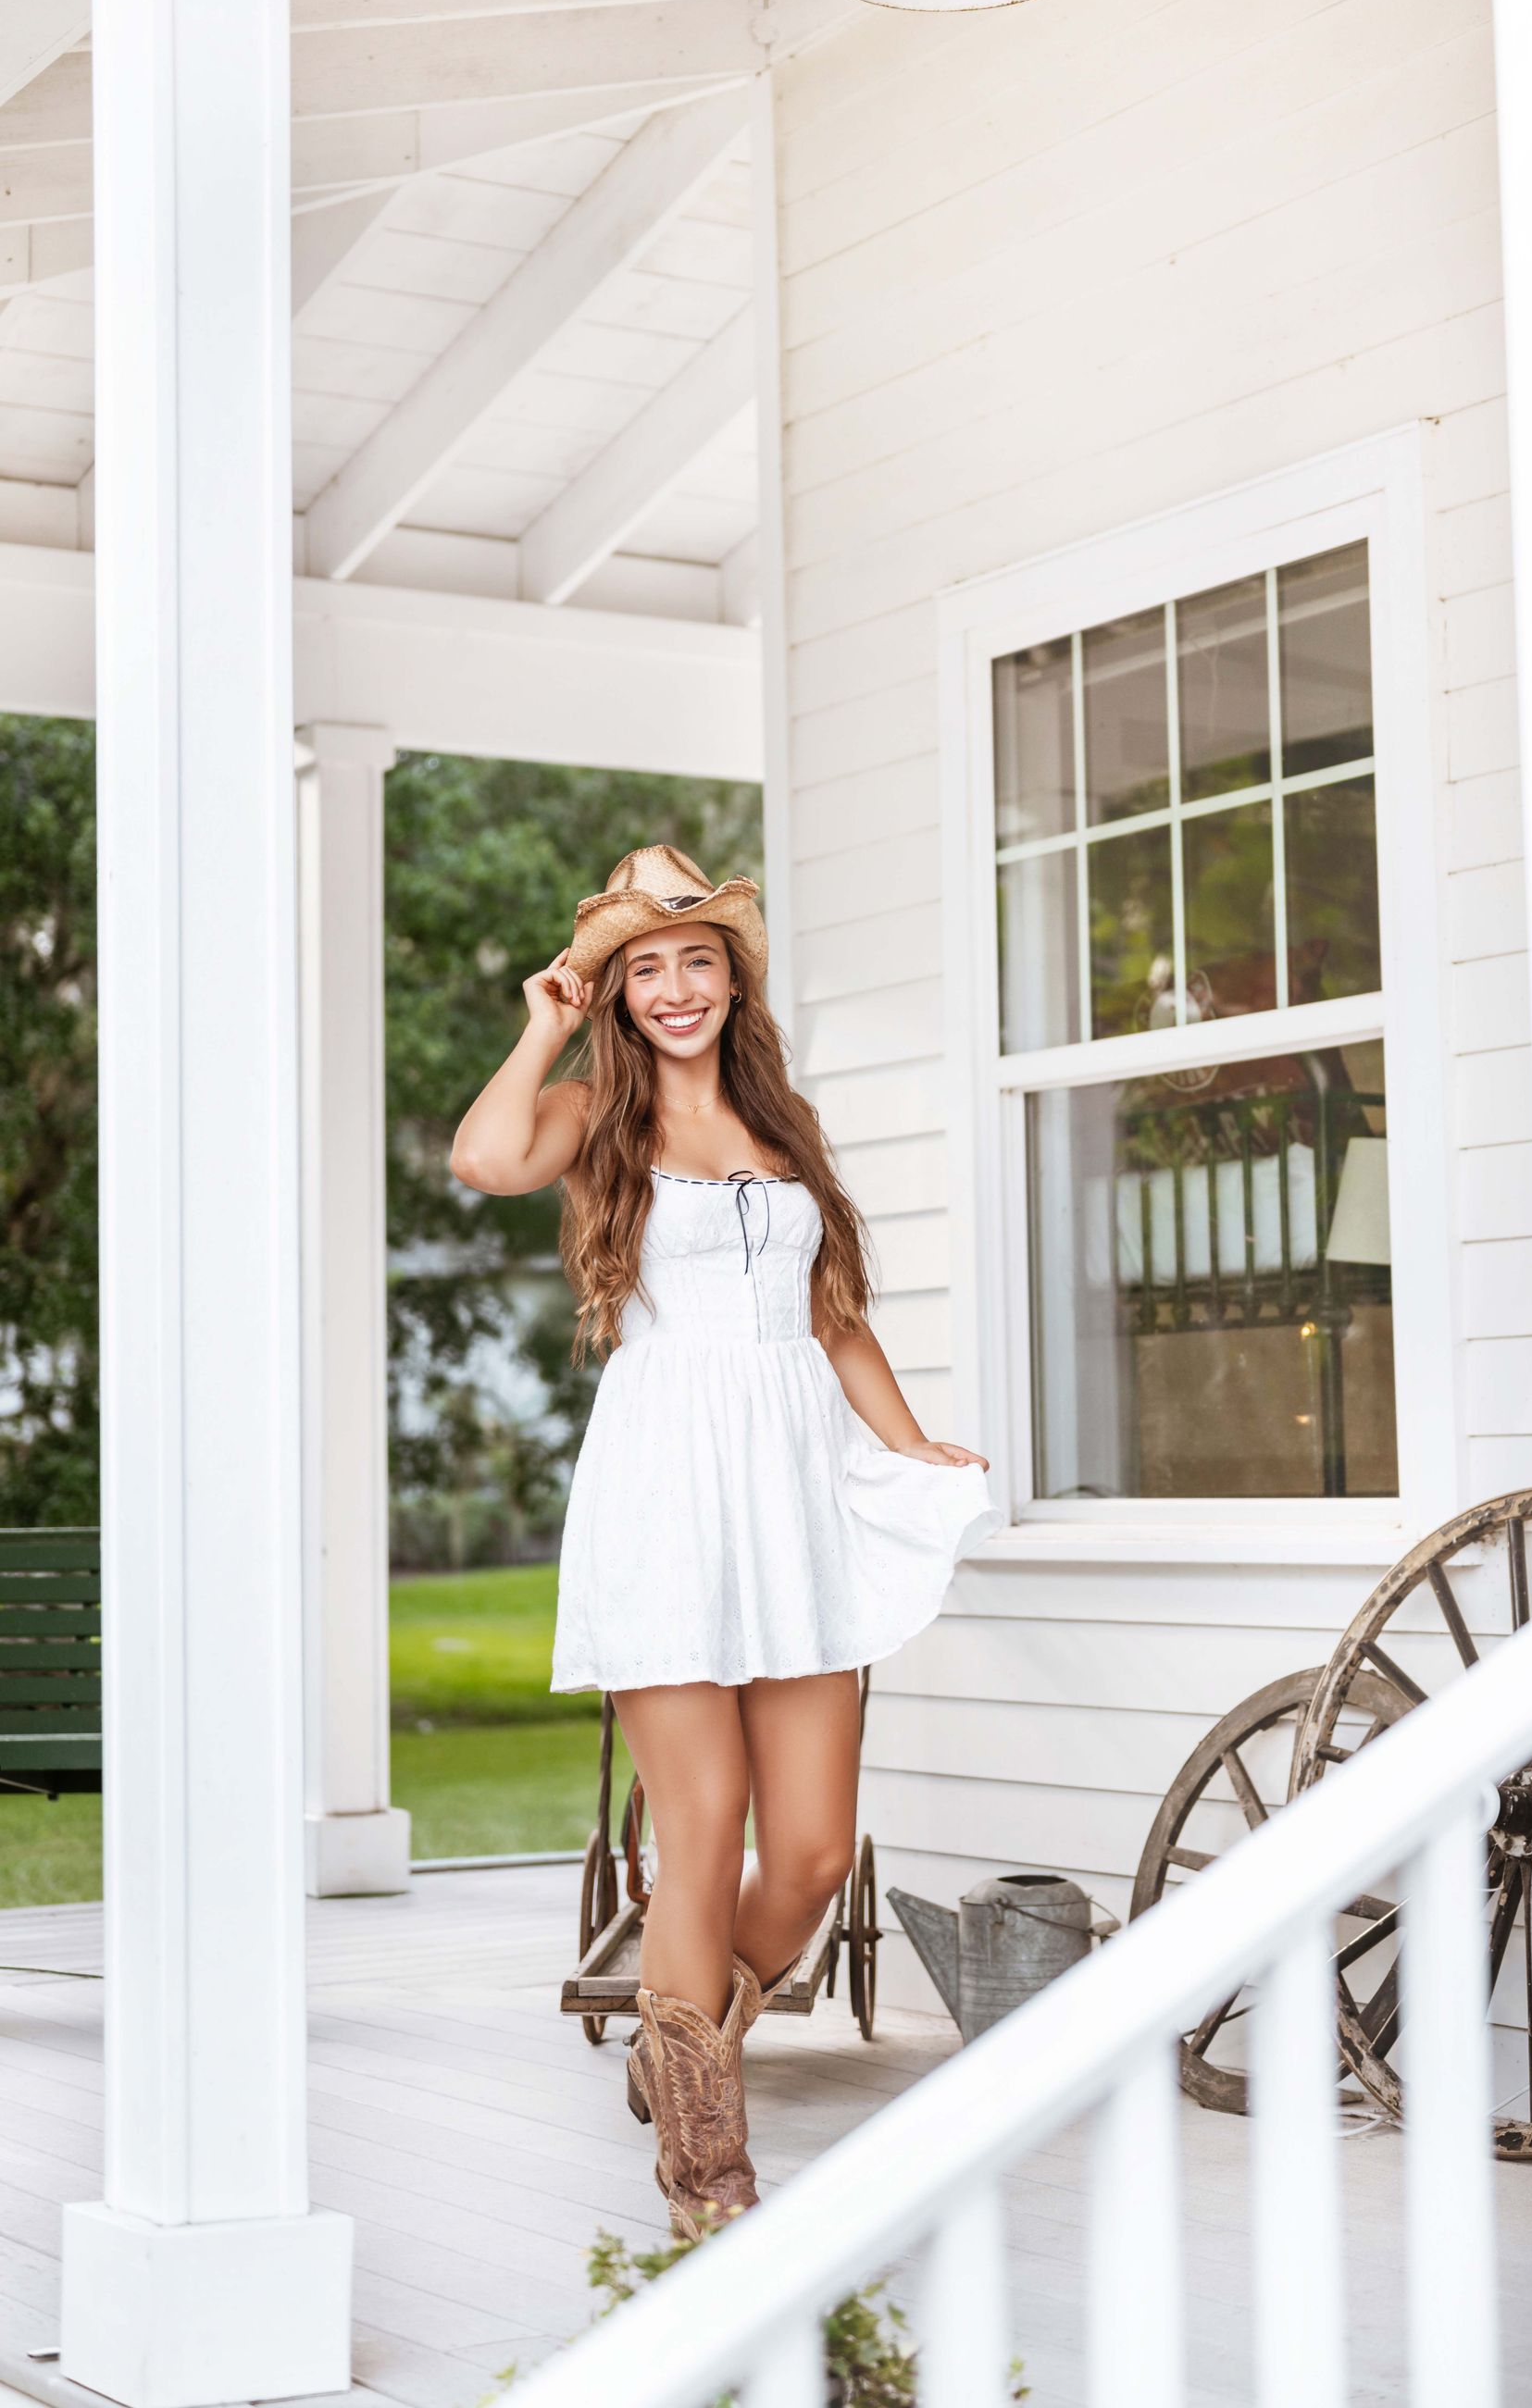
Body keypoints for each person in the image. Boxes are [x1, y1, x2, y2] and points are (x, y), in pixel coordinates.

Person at [451, 844, 997, 2236]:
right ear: (621, 994)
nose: (678, 986)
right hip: (664, 1494)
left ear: (732, 979)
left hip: (794, 1493)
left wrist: (906, 1441)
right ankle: (709, 2170)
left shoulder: (781, 1123)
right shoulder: (590, 1116)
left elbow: (834, 1314)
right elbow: (480, 1157)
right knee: (699, 1834)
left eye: (698, 960)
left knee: (808, 1853)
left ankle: (676, 2038)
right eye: (649, 967)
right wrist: (545, 1017)